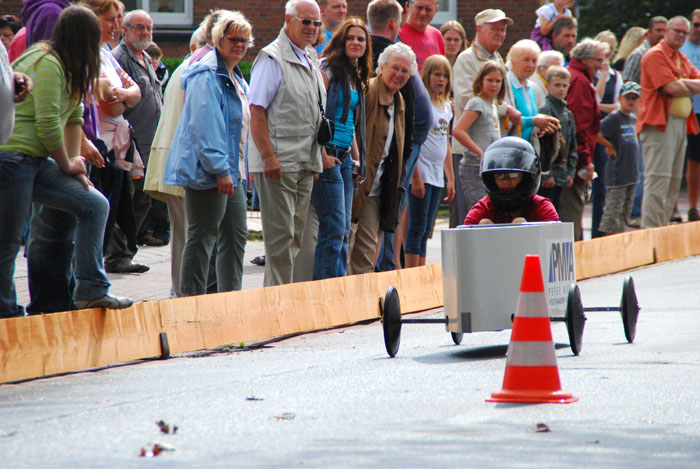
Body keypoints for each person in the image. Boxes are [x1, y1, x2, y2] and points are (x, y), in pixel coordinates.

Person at [0, 5, 132, 317]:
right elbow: (48, 127)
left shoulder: (73, 66)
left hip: (35, 159)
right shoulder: (48, 63)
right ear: (84, 38)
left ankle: (91, 290)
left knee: (94, 205)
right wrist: (66, 163)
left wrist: (76, 164)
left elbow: (73, 118)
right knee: (8, 241)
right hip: (13, 158)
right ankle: (6, 313)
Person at [163, 10, 251, 296]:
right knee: (201, 238)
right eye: (233, 39)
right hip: (210, 172)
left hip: (231, 172)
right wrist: (221, 169)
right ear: (218, 39)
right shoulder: (206, 73)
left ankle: (229, 304)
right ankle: (190, 305)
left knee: (235, 237)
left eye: (245, 40)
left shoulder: (235, 74)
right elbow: (205, 126)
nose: (239, 44)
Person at [248, 0, 324, 287]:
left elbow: (314, 114)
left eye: (316, 23)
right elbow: (256, 111)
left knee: (295, 237)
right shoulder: (272, 58)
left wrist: (316, 157)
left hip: (304, 161)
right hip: (279, 163)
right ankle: (275, 303)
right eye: (306, 22)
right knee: (280, 240)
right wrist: (268, 157)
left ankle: (286, 300)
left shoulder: (310, 57)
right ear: (288, 20)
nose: (311, 28)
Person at [83, 0, 142, 259]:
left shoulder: (106, 53)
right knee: (98, 215)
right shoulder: (86, 56)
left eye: (119, 18)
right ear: (93, 20)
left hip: (118, 147)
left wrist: (120, 93)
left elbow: (136, 91)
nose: (117, 25)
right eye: (110, 20)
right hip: (98, 145)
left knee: (114, 211)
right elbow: (108, 107)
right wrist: (122, 96)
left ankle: (103, 268)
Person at [311, 17, 369, 280]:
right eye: (351, 38)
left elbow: (350, 122)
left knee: (344, 230)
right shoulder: (329, 68)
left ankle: (337, 291)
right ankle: (322, 294)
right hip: (328, 154)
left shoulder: (355, 74)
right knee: (333, 229)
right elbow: (315, 110)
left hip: (345, 159)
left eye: (361, 39)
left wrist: (357, 159)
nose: (356, 42)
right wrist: (320, 153)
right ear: (341, 41)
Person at [348, 43, 412, 274]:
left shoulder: (399, 100)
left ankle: (362, 309)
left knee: (365, 257)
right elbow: (352, 130)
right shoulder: (368, 91)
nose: (399, 74)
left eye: (405, 71)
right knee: (346, 250)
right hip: (356, 184)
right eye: (395, 68)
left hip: (375, 190)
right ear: (381, 67)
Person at [107, 9, 163, 273]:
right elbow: (119, 100)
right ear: (126, 30)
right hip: (129, 144)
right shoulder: (120, 58)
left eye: (149, 28)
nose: (145, 33)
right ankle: (117, 255)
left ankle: (127, 248)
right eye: (139, 27)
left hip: (149, 144)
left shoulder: (144, 58)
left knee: (143, 200)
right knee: (127, 201)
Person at [452, 8, 521, 224]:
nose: (500, 34)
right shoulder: (466, 59)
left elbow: (503, 99)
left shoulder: (498, 59)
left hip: (492, 153)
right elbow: (465, 99)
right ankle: (461, 257)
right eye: (494, 29)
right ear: (479, 29)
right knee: (469, 214)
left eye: (503, 30)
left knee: (491, 213)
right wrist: (506, 110)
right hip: (470, 153)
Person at [637, 16, 700, 229]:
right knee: (658, 180)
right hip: (658, 124)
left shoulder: (680, 57)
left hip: (680, 123)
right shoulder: (655, 55)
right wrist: (682, 84)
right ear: (667, 31)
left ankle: (663, 231)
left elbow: (690, 81)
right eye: (678, 31)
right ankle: (652, 233)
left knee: (673, 182)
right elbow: (670, 89)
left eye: (685, 32)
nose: (681, 36)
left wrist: (682, 83)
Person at [405, 54, 455, 267]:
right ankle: (412, 271)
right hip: (422, 171)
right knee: (416, 226)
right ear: (427, 75)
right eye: (436, 74)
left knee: (427, 228)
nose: (441, 79)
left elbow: (445, 142)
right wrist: (415, 177)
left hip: (436, 175)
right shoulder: (422, 103)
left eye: (445, 75)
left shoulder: (446, 107)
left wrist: (450, 178)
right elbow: (411, 140)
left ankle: (421, 270)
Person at [561, 38, 607, 240]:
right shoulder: (579, 81)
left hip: (574, 156)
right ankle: (574, 259)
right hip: (576, 159)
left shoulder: (578, 78)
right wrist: (585, 160)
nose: (600, 65)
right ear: (585, 59)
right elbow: (579, 127)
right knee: (572, 210)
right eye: (598, 60)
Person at [452, 61, 506, 216]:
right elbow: (458, 131)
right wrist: (480, 152)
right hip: (474, 167)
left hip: (490, 169)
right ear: (481, 80)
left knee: (492, 213)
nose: (494, 84)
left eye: (498, 81)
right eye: (490, 80)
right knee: (479, 213)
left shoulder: (493, 105)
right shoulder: (477, 102)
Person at [464, 137, 558, 225]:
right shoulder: (483, 210)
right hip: (490, 242)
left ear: (526, 178)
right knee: (484, 223)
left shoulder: (542, 208)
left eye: (513, 175)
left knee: (520, 222)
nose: (506, 181)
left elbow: (554, 237)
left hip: (531, 242)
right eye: (499, 175)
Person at [597, 81, 641, 235]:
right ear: (620, 99)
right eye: (627, 97)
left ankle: (620, 237)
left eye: (634, 98)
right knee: (613, 211)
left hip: (631, 174)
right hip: (618, 173)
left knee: (625, 211)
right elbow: (596, 132)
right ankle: (608, 238)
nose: (630, 101)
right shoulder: (614, 117)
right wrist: (608, 145)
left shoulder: (633, 118)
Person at [590, 31, 623, 238]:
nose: (607, 50)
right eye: (603, 45)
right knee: (594, 185)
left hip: (608, 134)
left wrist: (599, 106)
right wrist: (602, 74)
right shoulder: (593, 73)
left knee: (605, 184)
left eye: (611, 46)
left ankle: (601, 231)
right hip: (592, 133)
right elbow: (596, 97)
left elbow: (618, 107)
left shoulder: (616, 76)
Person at [537, 65, 578, 213]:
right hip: (549, 177)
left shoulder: (568, 114)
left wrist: (570, 172)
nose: (561, 89)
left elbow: (572, 145)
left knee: (558, 211)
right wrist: (546, 174)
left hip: (562, 174)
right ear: (547, 86)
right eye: (557, 85)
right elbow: (542, 146)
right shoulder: (545, 111)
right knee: (547, 212)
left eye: (564, 85)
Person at [505, 39, 559, 143]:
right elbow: (506, 121)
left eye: (534, 61)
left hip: (526, 148)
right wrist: (534, 121)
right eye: (526, 60)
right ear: (513, 61)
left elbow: (531, 118)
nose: (531, 65)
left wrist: (541, 126)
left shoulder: (530, 87)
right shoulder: (506, 84)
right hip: (508, 147)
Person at [680, 9, 700, 222]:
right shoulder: (682, 48)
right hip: (686, 111)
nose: (699, 29)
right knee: (681, 160)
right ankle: (676, 208)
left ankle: (694, 207)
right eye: (696, 25)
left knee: (696, 161)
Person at [398, 0, 445, 72]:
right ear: (409, 6)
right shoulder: (398, 34)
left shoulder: (437, 35)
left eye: (428, 9)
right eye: (419, 8)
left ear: (436, 10)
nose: (423, 13)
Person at [622, 16, 668, 84]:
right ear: (649, 32)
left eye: (665, 31)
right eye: (658, 30)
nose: (662, 34)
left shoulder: (667, 55)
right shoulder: (638, 55)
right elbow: (628, 86)